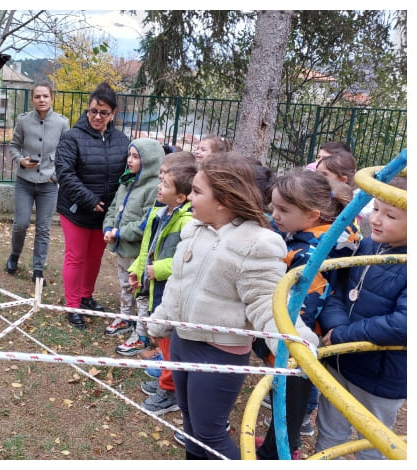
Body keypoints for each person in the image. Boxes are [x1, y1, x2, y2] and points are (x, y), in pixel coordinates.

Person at [146, 152, 319, 459]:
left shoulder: (256, 244)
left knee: (210, 435)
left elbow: (267, 303)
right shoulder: (194, 230)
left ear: (223, 200)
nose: (190, 198)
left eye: (198, 192)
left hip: (218, 353)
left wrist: (296, 340)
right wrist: (160, 318)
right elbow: (177, 284)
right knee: (191, 430)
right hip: (183, 343)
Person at [253, 169, 358, 460]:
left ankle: (279, 453)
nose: (276, 215)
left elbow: (306, 303)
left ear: (312, 215)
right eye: (273, 206)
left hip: (299, 337)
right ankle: (282, 442)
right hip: (309, 333)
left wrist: (283, 340)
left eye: (283, 209)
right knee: (287, 399)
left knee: (288, 397)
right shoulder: (330, 235)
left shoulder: (308, 254)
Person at [315, 176, 406, 460]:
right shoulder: (367, 245)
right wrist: (337, 325)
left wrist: (343, 335)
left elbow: (403, 324)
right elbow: (336, 289)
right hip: (341, 363)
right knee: (329, 433)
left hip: (381, 376)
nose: (376, 219)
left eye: (390, 215)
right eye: (376, 209)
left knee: (373, 443)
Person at [55, 82, 130, 329]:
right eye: (93, 111)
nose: (97, 116)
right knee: (75, 257)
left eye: (103, 112)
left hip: (105, 214)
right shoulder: (71, 138)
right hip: (76, 210)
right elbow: (65, 174)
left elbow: (128, 171)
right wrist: (88, 199)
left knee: (95, 257)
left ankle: (86, 296)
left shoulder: (121, 140)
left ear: (113, 114)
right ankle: (72, 305)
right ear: (87, 109)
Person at [132, 162, 196, 413]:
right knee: (162, 338)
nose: (159, 186)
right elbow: (150, 246)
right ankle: (166, 380)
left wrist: (157, 269)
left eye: (165, 184)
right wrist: (137, 269)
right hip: (155, 288)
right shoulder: (162, 213)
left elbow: (186, 258)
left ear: (181, 196)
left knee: (169, 345)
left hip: (169, 290)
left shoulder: (186, 221)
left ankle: (169, 392)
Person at [100, 138, 165, 350]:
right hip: (121, 248)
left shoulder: (154, 190)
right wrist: (108, 228)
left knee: (141, 293)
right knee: (124, 285)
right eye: (129, 155)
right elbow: (112, 208)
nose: (129, 160)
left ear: (150, 161)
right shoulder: (127, 181)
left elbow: (145, 224)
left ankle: (142, 333)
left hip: (138, 253)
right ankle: (125, 317)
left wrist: (120, 233)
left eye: (135, 157)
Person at [5, 82, 70, 283]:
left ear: (51, 98)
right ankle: (14, 255)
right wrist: (20, 160)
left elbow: (66, 153)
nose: (41, 100)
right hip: (25, 181)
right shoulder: (24, 121)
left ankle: (38, 269)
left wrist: (57, 177)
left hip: (49, 184)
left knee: (43, 228)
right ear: (32, 99)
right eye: (37, 96)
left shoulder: (62, 123)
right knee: (21, 224)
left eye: (45, 96)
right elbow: (14, 146)